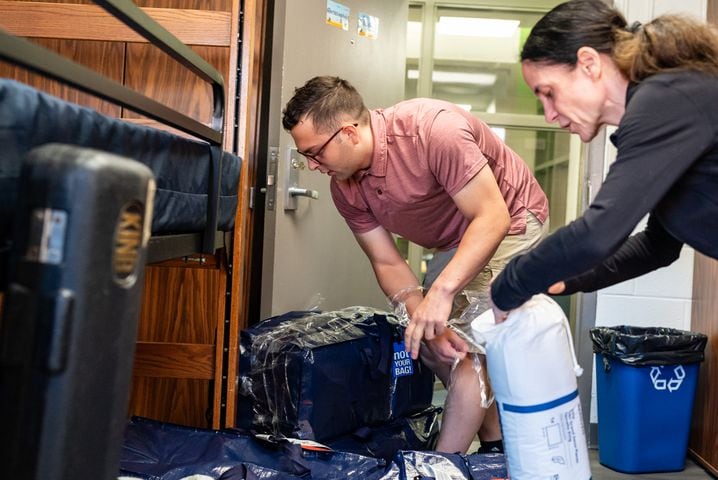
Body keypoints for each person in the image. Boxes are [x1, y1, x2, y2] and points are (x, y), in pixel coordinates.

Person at [282, 76, 549, 453]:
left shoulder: (433, 131)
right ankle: (496, 444)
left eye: (315, 153)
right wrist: (422, 314)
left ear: (348, 133)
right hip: (455, 236)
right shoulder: (344, 186)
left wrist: (440, 294)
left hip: (509, 221)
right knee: (428, 340)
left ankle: (440, 465)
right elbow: (386, 260)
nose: (311, 166)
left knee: (464, 346)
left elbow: (492, 217)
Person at [491, 0, 718, 317]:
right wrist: (566, 278)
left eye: (549, 93)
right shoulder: (662, 103)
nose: (550, 115)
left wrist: (508, 286)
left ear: (588, 64)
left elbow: (596, 235)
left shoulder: (665, 99)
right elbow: (656, 247)